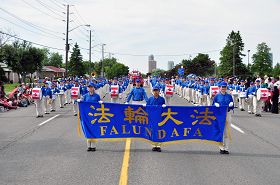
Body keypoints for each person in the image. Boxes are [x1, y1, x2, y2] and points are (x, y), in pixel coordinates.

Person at [78, 83, 101, 152]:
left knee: (93, 130)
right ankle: (88, 146)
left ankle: (93, 146)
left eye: (91, 87)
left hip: (94, 115)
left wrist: (100, 103)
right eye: (89, 87)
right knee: (87, 129)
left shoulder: (97, 96)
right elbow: (82, 104)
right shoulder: (85, 96)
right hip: (87, 116)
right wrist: (79, 101)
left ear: (94, 88)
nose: (90, 88)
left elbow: (99, 106)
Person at [212, 82, 234, 154]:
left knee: (227, 132)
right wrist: (215, 104)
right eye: (222, 87)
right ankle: (221, 147)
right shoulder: (217, 96)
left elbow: (232, 105)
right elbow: (213, 105)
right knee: (221, 131)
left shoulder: (229, 96)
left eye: (225, 87)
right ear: (220, 88)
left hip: (227, 114)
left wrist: (231, 105)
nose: (223, 88)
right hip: (220, 115)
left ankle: (226, 148)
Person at [146, 85, 166, 152]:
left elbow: (164, 109)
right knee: (153, 130)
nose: (155, 92)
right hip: (152, 117)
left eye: (157, 90)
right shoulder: (150, 99)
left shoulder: (162, 99)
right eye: (154, 90)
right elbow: (147, 107)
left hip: (159, 117)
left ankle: (159, 146)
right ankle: (154, 145)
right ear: (153, 91)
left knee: (159, 131)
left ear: (159, 91)